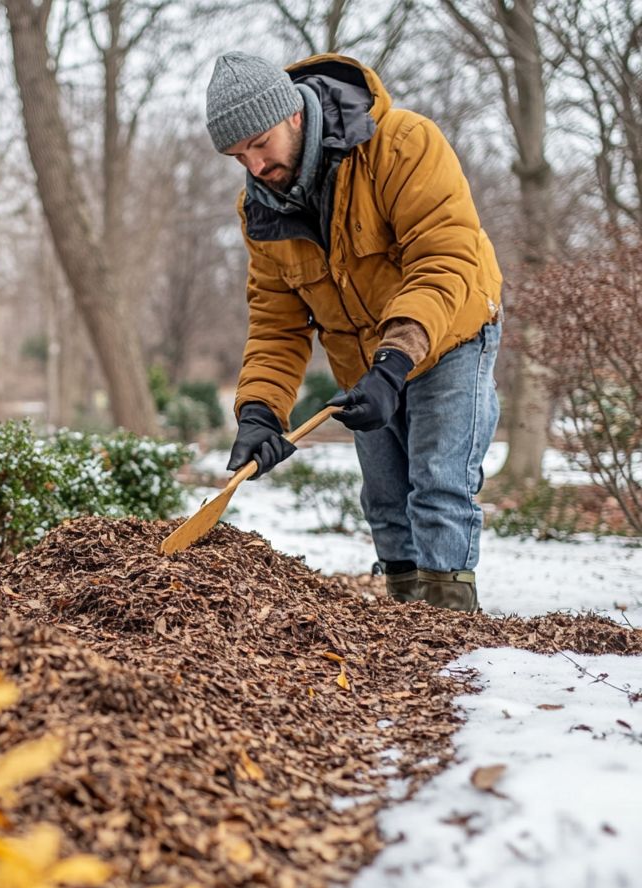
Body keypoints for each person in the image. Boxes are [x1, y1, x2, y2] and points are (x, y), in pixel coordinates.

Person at [205, 52, 502, 612]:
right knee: (386, 501)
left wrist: (394, 362)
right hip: (364, 359)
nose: (254, 165)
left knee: (438, 486)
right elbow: (277, 321)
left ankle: (451, 634)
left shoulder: (402, 144)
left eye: (260, 143)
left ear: (294, 115)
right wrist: (260, 412)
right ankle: (404, 630)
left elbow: (444, 261)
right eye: (236, 155)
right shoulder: (261, 211)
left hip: (449, 333)